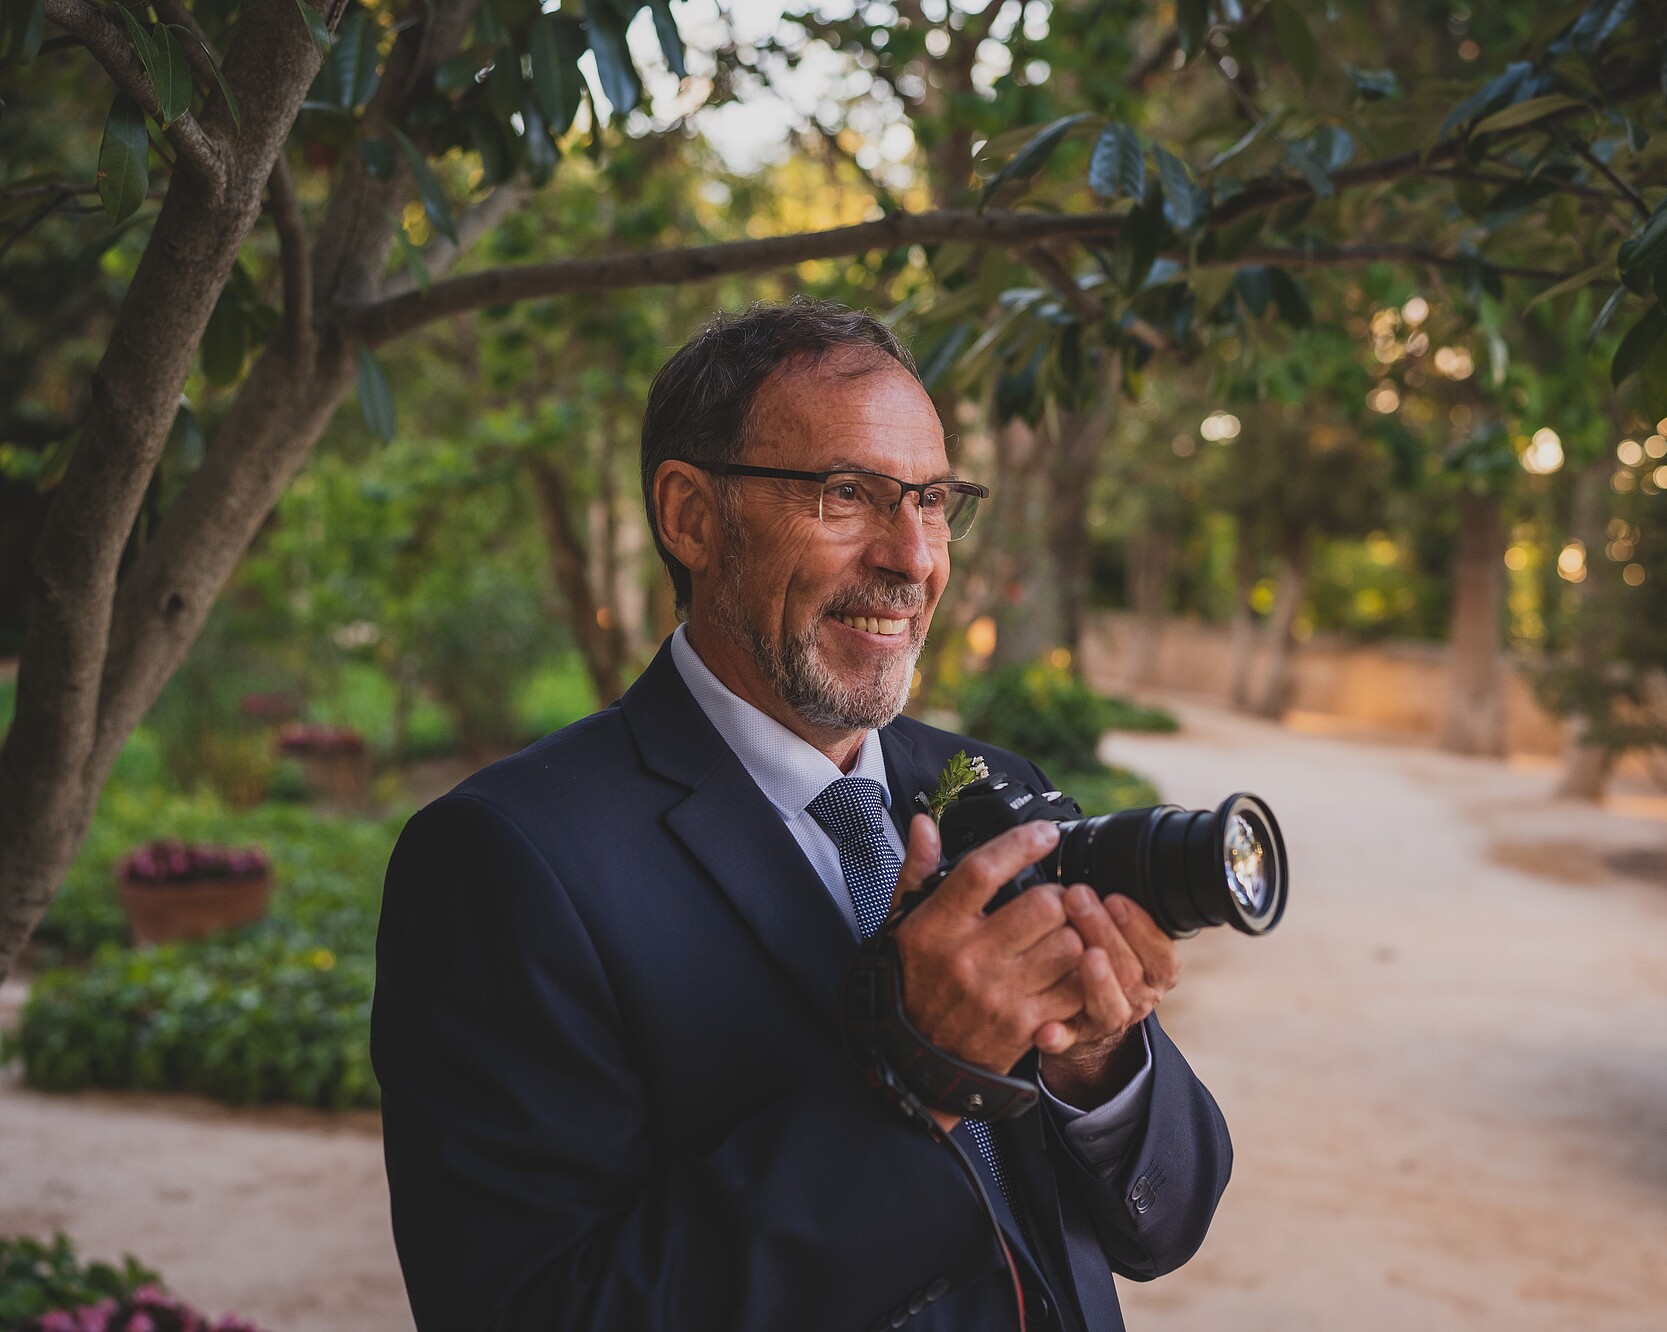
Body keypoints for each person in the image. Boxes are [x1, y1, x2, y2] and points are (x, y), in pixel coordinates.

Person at [371, 298, 1232, 1331]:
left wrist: (1095, 1062)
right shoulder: (506, 860)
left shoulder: (987, 783)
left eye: (931, 501)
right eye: (846, 495)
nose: (912, 559)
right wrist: (920, 1078)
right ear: (689, 515)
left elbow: (1162, 1222)